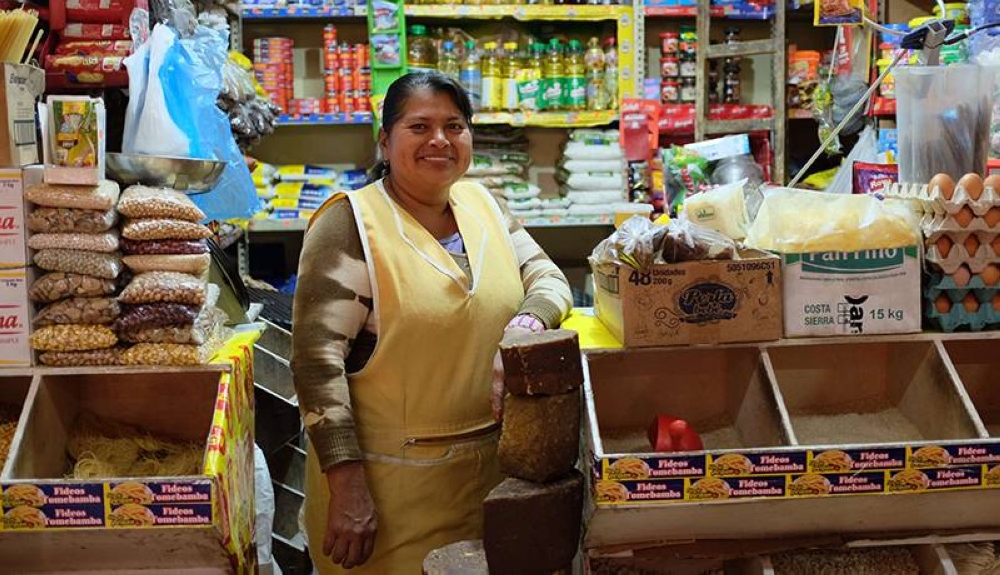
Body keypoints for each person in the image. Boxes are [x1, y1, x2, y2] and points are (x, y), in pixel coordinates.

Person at [291, 72, 573, 574]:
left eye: (454, 125)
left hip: (487, 485)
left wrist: (526, 327)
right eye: (419, 126)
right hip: (388, 501)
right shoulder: (350, 224)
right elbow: (317, 364)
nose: (439, 140)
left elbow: (550, 279)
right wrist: (348, 487)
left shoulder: (484, 205)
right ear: (384, 140)